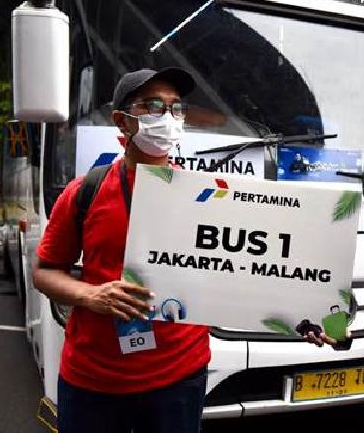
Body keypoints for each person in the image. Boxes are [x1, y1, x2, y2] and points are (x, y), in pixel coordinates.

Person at [33, 67, 337, 433]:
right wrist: (92, 295)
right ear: (122, 121)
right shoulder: (85, 193)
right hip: (91, 380)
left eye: (176, 108)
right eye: (153, 106)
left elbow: (250, 267)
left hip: (178, 378)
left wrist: (310, 312)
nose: (168, 118)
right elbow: (45, 271)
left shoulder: (206, 195)